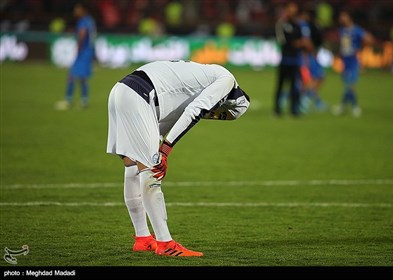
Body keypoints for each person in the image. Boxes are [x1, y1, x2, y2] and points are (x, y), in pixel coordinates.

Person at [106, 60, 250, 257]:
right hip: (140, 96)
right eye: (220, 115)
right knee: (152, 170)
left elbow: (168, 121)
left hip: (121, 91)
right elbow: (196, 111)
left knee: (133, 164)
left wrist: (158, 146)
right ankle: (165, 244)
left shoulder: (202, 79)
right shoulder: (226, 81)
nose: (216, 116)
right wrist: (164, 150)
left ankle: (143, 239)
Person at [55, 1, 96, 110]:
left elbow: (82, 34)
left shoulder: (83, 21)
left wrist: (78, 47)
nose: (75, 11)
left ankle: (68, 100)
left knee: (71, 75)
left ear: (83, 9)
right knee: (82, 78)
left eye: (77, 8)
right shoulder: (90, 20)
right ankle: (84, 101)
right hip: (88, 51)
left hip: (83, 52)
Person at [332, 10, 373, 117]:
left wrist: (360, 48)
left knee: (350, 86)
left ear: (349, 17)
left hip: (353, 61)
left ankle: (354, 107)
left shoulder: (356, 30)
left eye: (343, 16)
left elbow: (369, 39)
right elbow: (343, 46)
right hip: (345, 61)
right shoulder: (342, 30)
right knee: (348, 85)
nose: (341, 18)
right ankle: (344, 106)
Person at [274, 1, 312, 117]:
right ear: (286, 10)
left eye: (294, 9)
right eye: (290, 9)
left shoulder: (298, 25)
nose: (292, 11)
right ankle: (277, 110)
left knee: (295, 86)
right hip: (285, 60)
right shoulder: (281, 24)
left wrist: (299, 43)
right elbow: (284, 42)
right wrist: (300, 43)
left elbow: (302, 42)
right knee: (281, 85)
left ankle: (294, 110)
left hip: (295, 60)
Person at [298, 8, 326, 114]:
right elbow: (306, 42)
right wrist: (313, 51)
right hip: (305, 56)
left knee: (308, 80)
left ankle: (309, 100)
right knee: (314, 78)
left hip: (304, 56)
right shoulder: (303, 25)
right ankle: (305, 100)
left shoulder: (302, 25)